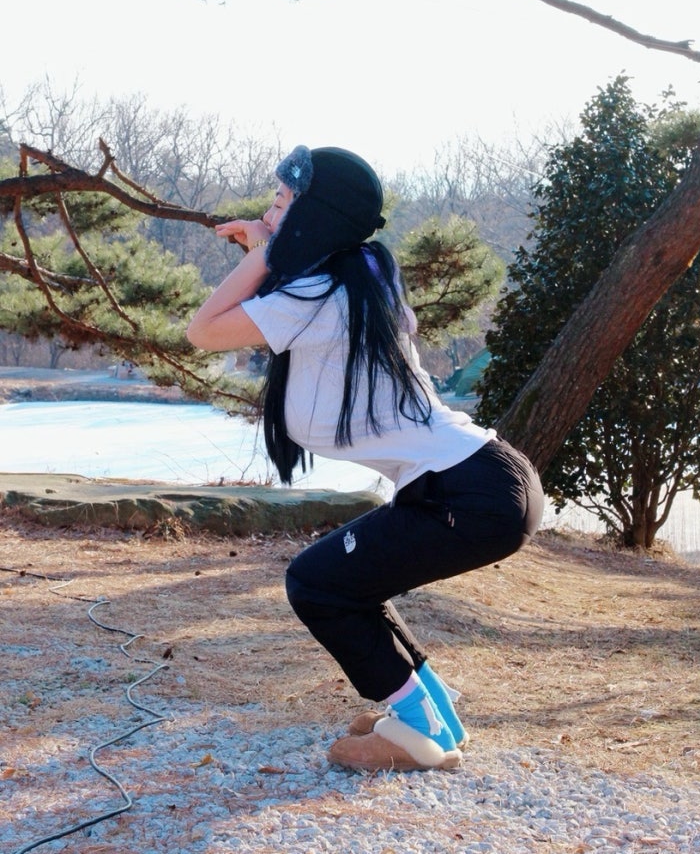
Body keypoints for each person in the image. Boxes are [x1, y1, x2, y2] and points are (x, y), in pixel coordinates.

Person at [187, 145, 544, 772]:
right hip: (484, 479)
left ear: (315, 216)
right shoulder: (361, 277)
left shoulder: (317, 294)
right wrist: (274, 246)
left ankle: (417, 732)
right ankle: (434, 716)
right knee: (352, 584)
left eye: (281, 204)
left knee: (316, 584)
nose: (267, 214)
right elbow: (300, 293)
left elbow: (203, 330)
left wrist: (267, 253)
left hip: (467, 493)